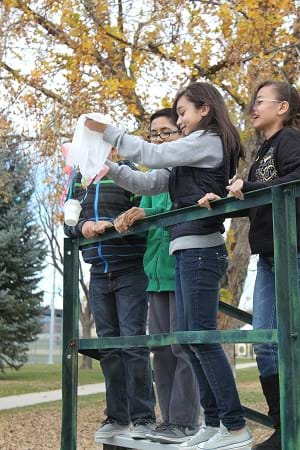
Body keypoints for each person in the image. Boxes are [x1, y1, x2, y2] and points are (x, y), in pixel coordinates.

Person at [85, 82, 252, 450]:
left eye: (182, 112)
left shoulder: (208, 141)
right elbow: (147, 180)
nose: (180, 119)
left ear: (204, 110)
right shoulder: (187, 155)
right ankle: (213, 423)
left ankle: (236, 427)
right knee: (189, 340)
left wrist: (107, 131)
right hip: (184, 249)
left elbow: (150, 154)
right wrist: (107, 167)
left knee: (200, 339)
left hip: (201, 250)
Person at [199, 80, 300, 450]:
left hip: (293, 251)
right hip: (269, 255)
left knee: (289, 341)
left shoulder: (290, 141)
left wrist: (251, 188)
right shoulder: (263, 151)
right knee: (266, 344)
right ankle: (284, 427)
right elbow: (253, 193)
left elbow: (297, 178)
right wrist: (225, 194)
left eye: (260, 101)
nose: (253, 107)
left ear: (283, 107)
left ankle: (294, 428)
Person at [114, 108, 201, 443]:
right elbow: (146, 215)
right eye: (155, 134)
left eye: (168, 133)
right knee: (161, 351)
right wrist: (124, 219)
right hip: (155, 274)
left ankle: (185, 421)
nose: (161, 140)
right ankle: (168, 421)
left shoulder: (186, 171)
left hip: (182, 268)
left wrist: (145, 213)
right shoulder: (150, 178)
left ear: (181, 136)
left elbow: (178, 210)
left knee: (183, 347)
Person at [64, 150, 156, 442]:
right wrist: (84, 227)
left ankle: (143, 418)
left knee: (132, 344)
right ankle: (117, 417)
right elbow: (69, 222)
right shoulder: (79, 179)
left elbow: (143, 218)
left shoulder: (129, 174)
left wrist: (121, 223)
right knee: (109, 349)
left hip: (130, 269)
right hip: (98, 273)